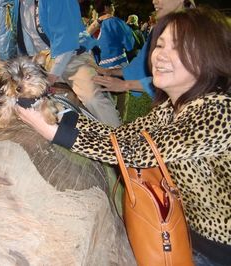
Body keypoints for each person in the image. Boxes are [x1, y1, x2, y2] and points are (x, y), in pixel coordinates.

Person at [16, 7, 231, 266]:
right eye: (160, 45)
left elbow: (136, 152)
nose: (161, 56)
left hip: (218, 252)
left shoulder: (218, 110)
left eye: (178, 47)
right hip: (184, 235)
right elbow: (120, 136)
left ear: (210, 55)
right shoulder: (171, 107)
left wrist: (52, 131)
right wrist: (58, 115)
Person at [13, 0, 121, 127]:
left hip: (72, 54)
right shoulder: (16, 4)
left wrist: (52, 76)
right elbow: (27, 41)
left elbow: (67, 39)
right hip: (40, 59)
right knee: (8, 91)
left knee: (92, 98)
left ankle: (118, 137)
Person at [92, 0, 196, 98]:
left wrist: (125, 84)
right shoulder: (160, 27)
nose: (154, 1)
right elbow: (139, 60)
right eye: (159, 45)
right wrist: (111, 72)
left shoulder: (195, 30)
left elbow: (174, 79)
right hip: (170, 105)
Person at [88, 0, 135, 69]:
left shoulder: (92, 26)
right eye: (112, 6)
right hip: (119, 64)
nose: (114, 9)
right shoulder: (114, 21)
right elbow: (129, 42)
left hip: (102, 66)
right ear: (106, 7)